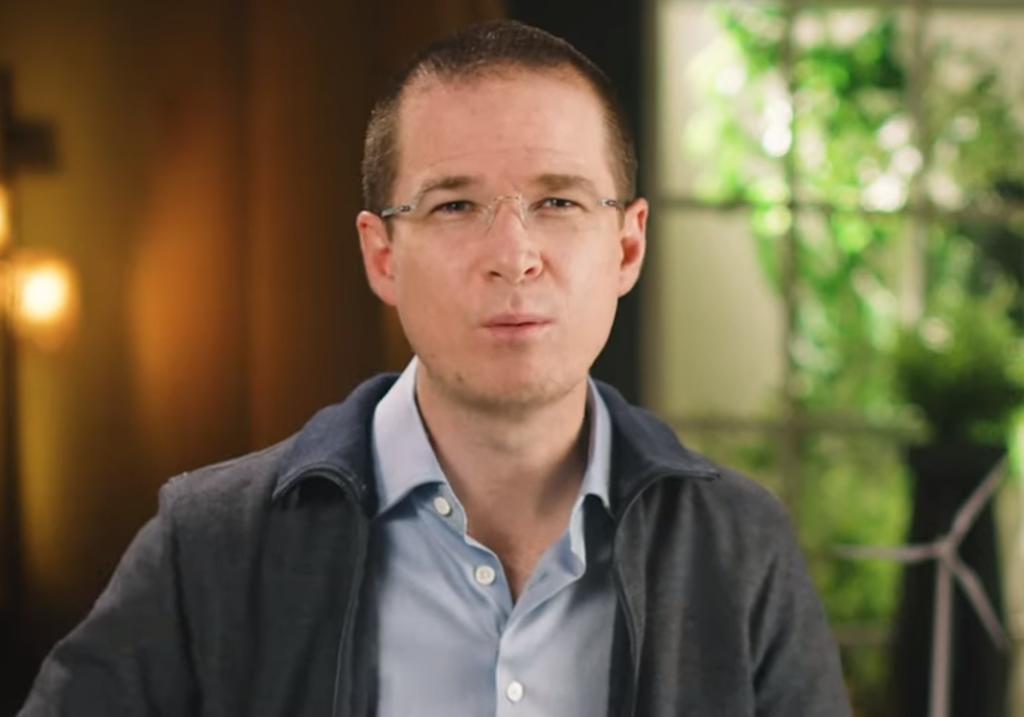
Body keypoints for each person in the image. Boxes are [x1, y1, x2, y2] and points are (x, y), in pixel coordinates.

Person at [20, 20, 851, 716]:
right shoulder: (210, 544)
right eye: (455, 205)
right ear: (381, 255)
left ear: (628, 246)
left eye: (558, 202)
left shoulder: (738, 546)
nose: (513, 255)